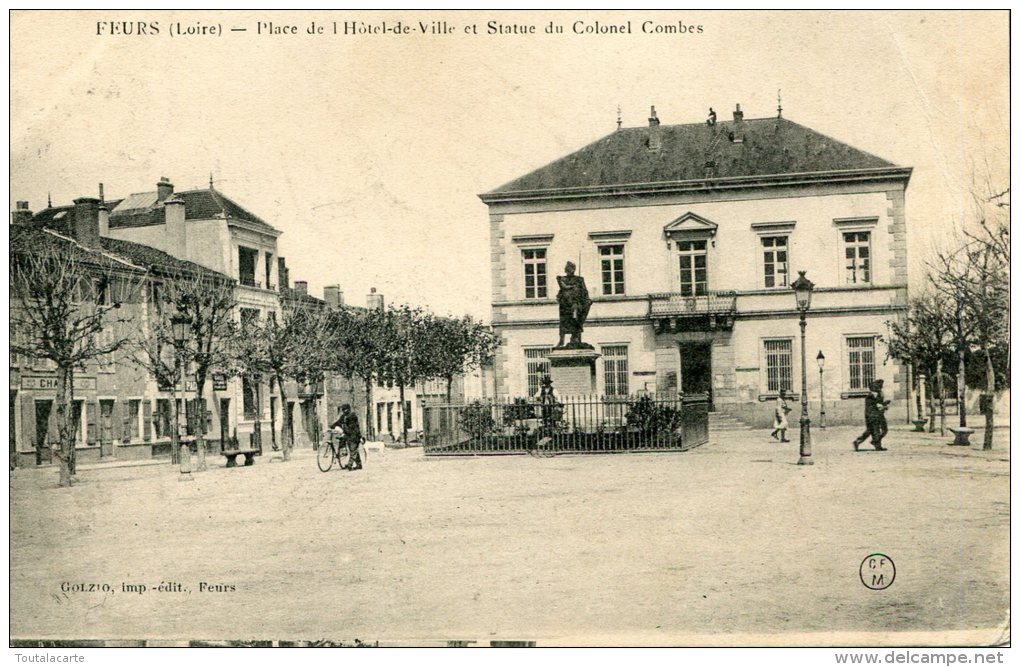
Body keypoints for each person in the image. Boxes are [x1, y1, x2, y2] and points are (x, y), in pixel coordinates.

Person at [556, 262, 592, 348]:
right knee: (563, 322)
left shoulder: (579, 279)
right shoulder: (563, 279)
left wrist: (587, 300)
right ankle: (561, 341)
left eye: (571, 268)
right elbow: (562, 289)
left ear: (573, 269)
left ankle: (576, 338)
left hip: (575, 303)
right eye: (568, 268)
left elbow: (584, 291)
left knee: (576, 319)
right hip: (565, 305)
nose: (569, 270)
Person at [853, 379, 891, 451]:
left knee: (883, 430)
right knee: (874, 431)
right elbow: (877, 406)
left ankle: (863, 442)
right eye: (878, 387)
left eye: (880, 387)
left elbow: (879, 405)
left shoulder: (879, 394)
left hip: (878, 415)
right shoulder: (870, 396)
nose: (880, 388)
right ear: (874, 388)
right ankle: (877, 445)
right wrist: (884, 404)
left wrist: (884, 404)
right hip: (872, 416)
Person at [330, 404, 364, 470]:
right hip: (348, 435)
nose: (343, 411)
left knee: (353, 450)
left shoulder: (352, 416)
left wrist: (359, 437)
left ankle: (349, 465)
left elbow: (355, 427)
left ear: (348, 409)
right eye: (343, 410)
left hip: (354, 436)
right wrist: (332, 426)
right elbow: (339, 422)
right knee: (353, 450)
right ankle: (359, 464)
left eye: (345, 409)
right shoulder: (344, 416)